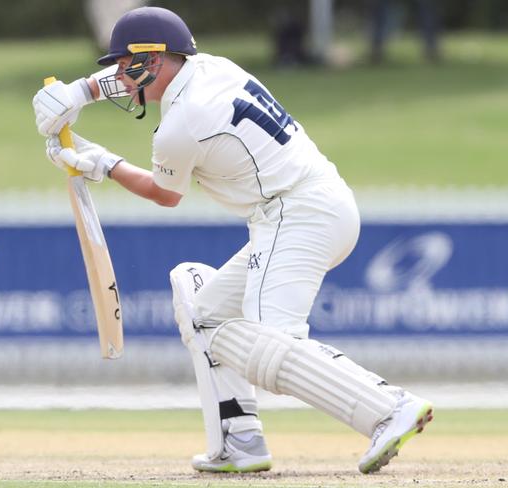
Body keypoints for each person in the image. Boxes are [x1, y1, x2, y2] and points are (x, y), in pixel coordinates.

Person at [32, 6, 433, 474]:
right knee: (204, 312)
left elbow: (165, 196)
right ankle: (239, 440)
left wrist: (102, 164)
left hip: (295, 213)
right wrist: (81, 91)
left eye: (126, 64)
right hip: (316, 204)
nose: (122, 75)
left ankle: (387, 407)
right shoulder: (212, 67)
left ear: (154, 59)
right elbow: (139, 77)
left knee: (269, 340)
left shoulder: (182, 124)